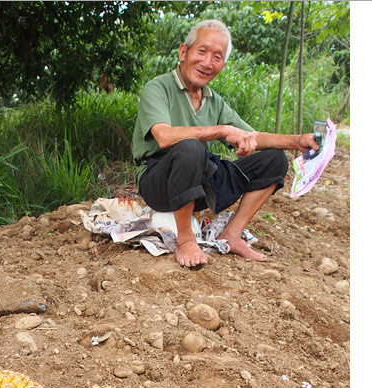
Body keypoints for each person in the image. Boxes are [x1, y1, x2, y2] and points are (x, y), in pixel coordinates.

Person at [132, 19, 320, 268]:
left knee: (274, 159)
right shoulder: (158, 88)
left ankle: (231, 234)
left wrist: (297, 141)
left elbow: (253, 136)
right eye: (202, 51)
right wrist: (221, 130)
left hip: (198, 181)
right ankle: (186, 239)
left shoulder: (214, 101)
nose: (208, 62)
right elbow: (164, 137)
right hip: (159, 181)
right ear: (183, 51)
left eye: (217, 57)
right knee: (190, 147)